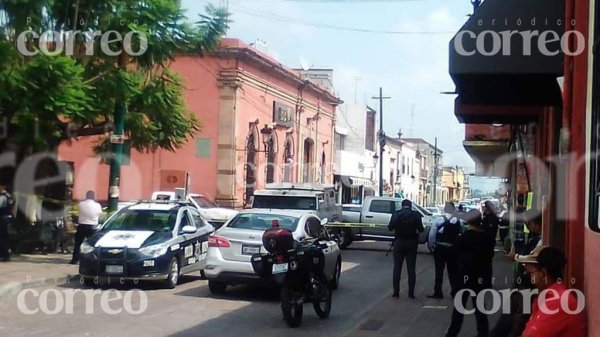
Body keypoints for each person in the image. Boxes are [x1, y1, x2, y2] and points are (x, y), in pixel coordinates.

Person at [446, 209, 495, 337]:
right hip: (481, 277)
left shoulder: (464, 237)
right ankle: (483, 332)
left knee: (459, 308)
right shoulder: (487, 238)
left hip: (464, 276)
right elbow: (490, 257)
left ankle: (452, 333)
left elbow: (453, 253)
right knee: (480, 309)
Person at [519, 246, 586, 337]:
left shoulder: (559, 302)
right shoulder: (549, 297)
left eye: (530, 273)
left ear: (543, 273)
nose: (528, 276)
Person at [388, 199, 424, 299]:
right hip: (412, 243)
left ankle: (396, 292)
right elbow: (421, 229)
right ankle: (411, 293)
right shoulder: (416, 215)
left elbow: (390, 227)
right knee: (411, 269)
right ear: (410, 206)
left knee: (397, 268)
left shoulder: (396, 214)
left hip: (399, 242)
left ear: (402, 205)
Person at [428, 202, 462, 299]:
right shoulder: (458, 221)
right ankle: (454, 291)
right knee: (453, 272)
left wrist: (432, 247)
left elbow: (432, 235)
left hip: (440, 248)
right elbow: (461, 233)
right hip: (453, 249)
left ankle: (438, 292)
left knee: (439, 271)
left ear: (445, 209)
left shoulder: (439, 220)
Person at [70, 191, 103, 264]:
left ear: (86, 196)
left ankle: (75, 260)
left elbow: (78, 212)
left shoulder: (81, 204)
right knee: (91, 244)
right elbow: (100, 214)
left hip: (82, 225)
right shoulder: (97, 205)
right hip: (93, 226)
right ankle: (91, 260)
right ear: (94, 197)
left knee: (78, 244)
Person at [0, 183, 13, 262]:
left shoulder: (3, 197)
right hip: (7, 218)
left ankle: (3, 254)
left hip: (2, 219)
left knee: (1, 237)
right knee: (5, 237)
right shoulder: (9, 196)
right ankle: (6, 254)